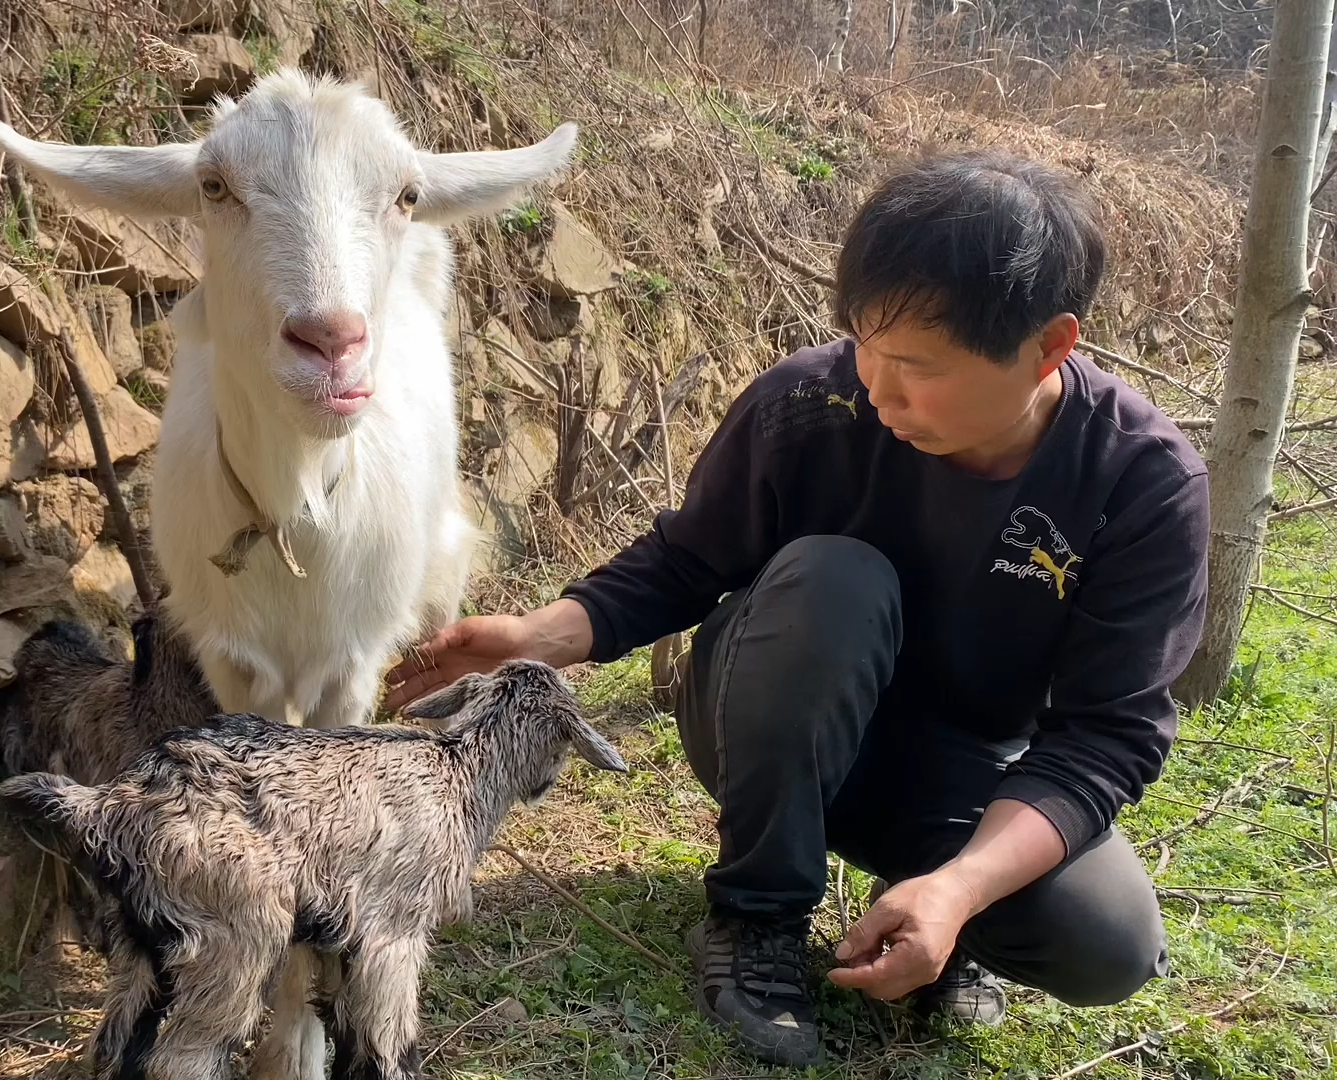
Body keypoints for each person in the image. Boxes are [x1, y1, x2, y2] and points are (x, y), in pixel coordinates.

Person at [384, 150, 1209, 1068]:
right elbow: (687, 560)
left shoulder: (1140, 483)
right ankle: (755, 918)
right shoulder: (812, 402)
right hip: (765, 709)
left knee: (1107, 941)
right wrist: (542, 637)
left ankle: (927, 911)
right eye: (864, 343)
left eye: (915, 366)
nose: (878, 387)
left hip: (958, 774)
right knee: (836, 581)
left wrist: (961, 889)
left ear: (1050, 346)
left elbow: (1106, 738)